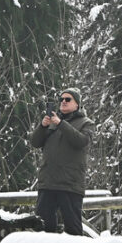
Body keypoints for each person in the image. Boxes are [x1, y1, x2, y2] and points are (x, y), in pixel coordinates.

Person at [29, 88, 95, 235]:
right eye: (61, 99)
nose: (63, 102)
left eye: (68, 99)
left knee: (73, 229)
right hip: (48, 182)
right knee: (43, 229)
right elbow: (35, 142)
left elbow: (81, 141)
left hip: (70, 184)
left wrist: (60, 124)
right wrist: (43, 126)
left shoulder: (86, 123)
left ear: (77, 104)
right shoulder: (51, 123)